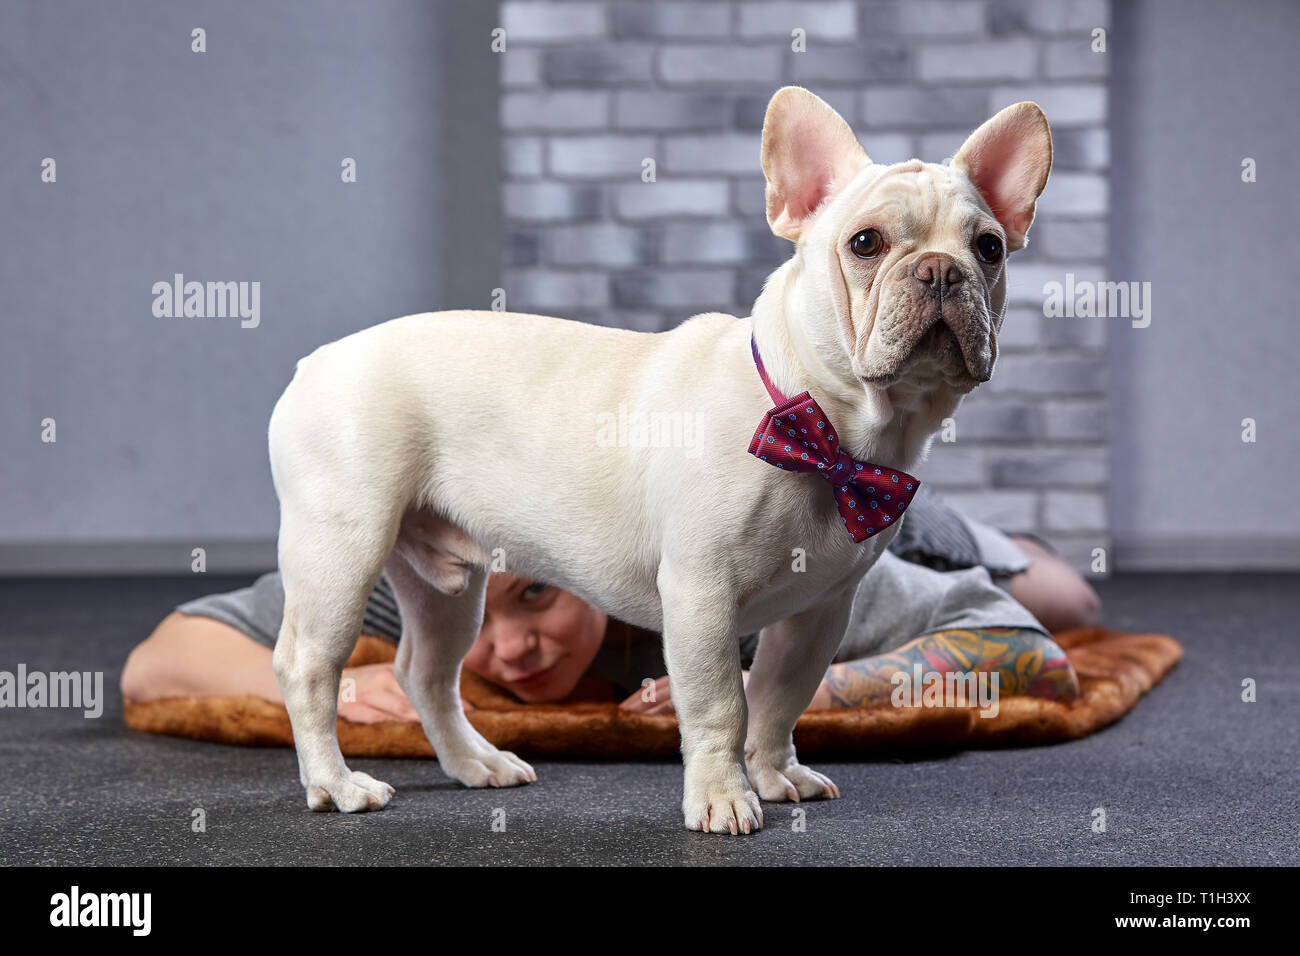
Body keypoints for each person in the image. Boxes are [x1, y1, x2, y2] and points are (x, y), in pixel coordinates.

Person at [121, 488, 1098, 721]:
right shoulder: (415, 568)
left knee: (1065, 596)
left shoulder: (739, 577)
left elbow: (1028, 653)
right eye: (483, 607)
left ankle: (986, 528)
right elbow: (160, 659)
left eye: (538, 595)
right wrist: (322, 692)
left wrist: (801, 687)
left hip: (874, 515)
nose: (509, 649)